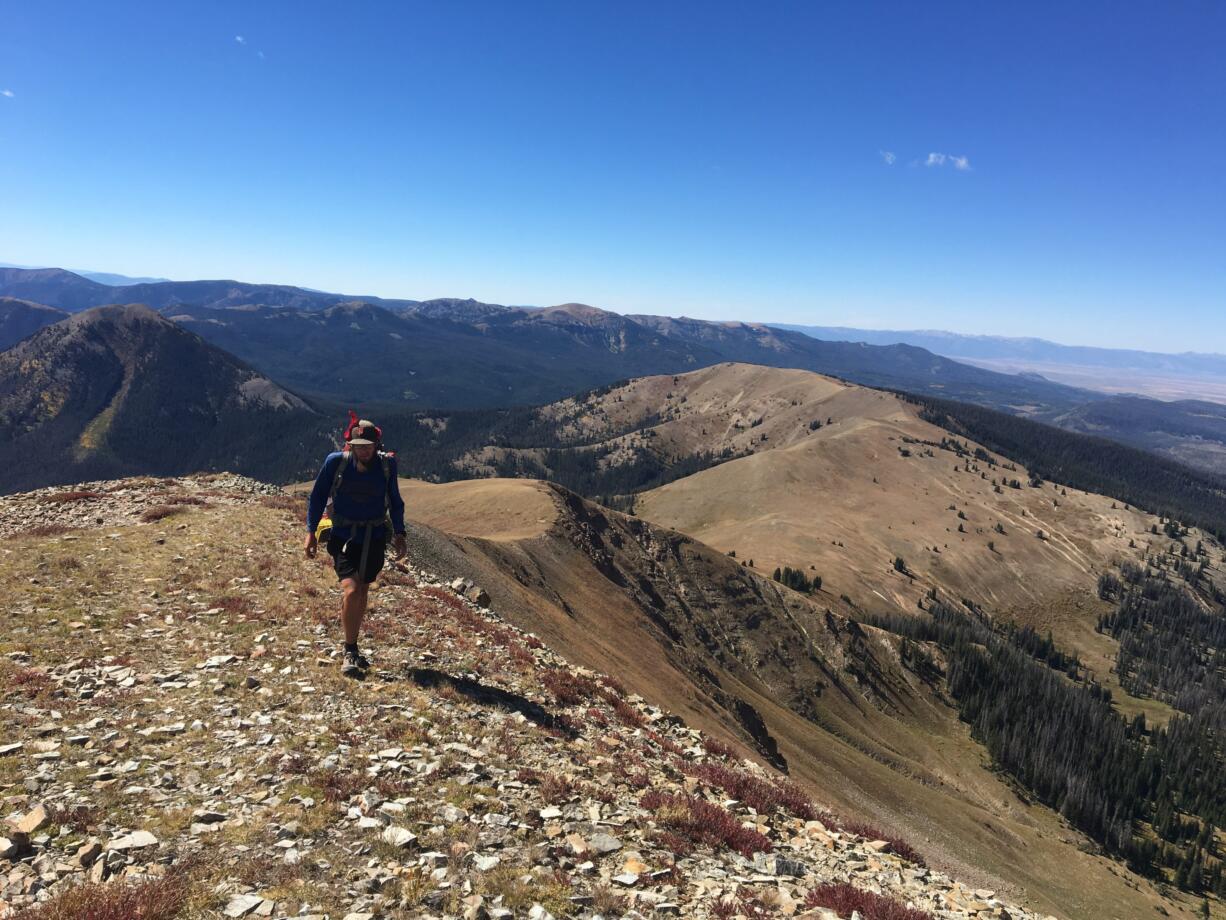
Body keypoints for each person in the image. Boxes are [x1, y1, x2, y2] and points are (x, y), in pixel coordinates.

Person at [305, 417, 407, 677]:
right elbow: (317, 497)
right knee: (351, 589)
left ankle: (354, 644)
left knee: (362, 589)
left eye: (368, 445)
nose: (363, 450)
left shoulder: (387, 465)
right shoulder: (335, 463)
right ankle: (349, 649)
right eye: (358, 445)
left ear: (376, 444)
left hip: (374, 536)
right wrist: (311, 533)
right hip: (343, 535)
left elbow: (395, 501)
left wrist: (400, 533)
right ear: (350, 444)